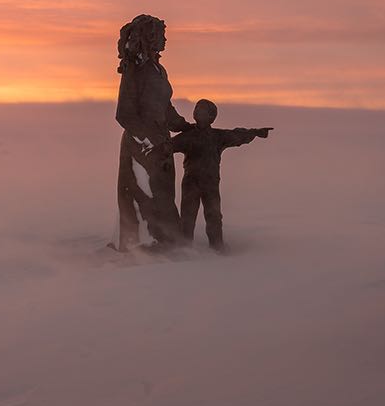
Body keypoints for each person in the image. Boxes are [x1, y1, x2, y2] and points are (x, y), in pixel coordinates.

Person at [114, 14, 192, 251]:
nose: (165, 39)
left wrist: (182, 125)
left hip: (160, 144)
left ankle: (167, 240)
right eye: (161, 34)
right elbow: (124, 114)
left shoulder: (158, 69)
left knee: (162, 193)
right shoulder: (134, 71)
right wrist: (147, 141)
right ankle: (141, 245)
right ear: (149, 37)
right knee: (142, 193)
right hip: (141, 146)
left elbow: (164, 106)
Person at [170, 99, 272, 250]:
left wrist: (255, 132)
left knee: (214, 216)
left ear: (212, 117)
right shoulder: (187, 136)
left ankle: (217, 246)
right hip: (191, 182)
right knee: (188, 216)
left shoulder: (217, 136)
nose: (198, 113)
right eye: (197, 110)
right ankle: (185, 248)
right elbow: (166, 147)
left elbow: (237, 135)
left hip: (210, 183)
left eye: (203, 111)